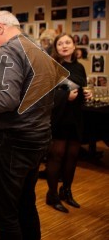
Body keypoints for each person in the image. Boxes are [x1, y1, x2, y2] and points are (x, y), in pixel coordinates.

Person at [0, 11, 60, 239]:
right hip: (36, 137)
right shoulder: (34, 48)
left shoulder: (9, 49)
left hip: (13, 141)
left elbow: (6, 99)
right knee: (25, 205)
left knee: (2, 212)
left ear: (1, 28)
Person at [46, 34, 91, 213]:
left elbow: (81, 86)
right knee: (56, 156)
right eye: (60, 43)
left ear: (74, 46)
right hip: (59, 117)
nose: (64, 46)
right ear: (56, 48)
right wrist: (66, 95)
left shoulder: (79, 67)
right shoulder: (53, 67)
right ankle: (52, 195)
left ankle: (67, 191)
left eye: (67, 42)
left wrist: (86, 95)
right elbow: (47, 93)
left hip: (75, 118)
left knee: (72, 156)